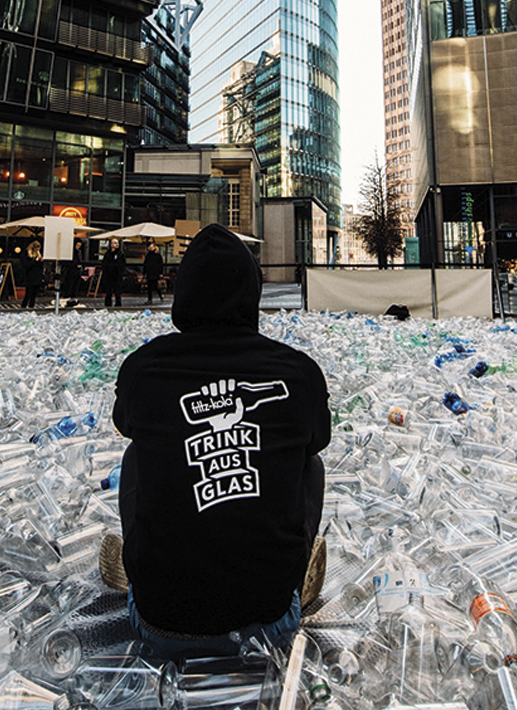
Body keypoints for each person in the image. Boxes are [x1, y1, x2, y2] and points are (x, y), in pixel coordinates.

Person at [100, 224, 330, 661]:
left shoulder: (145, 367)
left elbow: (125, 424)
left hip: (160, 620)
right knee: (310, 463)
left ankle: (141, 568)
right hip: (270, 622)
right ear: (252, 293)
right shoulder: (297, 371)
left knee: (135, 456)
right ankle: (292, 576)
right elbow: (318, 438)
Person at [98, 239, 125, 308]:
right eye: (115, 243)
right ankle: (108, 303)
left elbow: (123, 265)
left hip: (117, 275)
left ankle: (118, 303)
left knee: (117, 290)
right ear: (111, 244)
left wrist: (121, 273)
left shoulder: (120, 254)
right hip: (109, 275)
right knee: (108, 290)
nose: (117, 244)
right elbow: (104, 264)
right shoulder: (107, 254)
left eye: (117, 243)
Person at [20, 241, 43, 309]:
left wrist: (41, 261)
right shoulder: (26, 255)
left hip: (37, 276)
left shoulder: (37, 255)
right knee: (28, 293)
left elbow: (40, 267)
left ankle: (31, 306)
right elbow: (26, 266)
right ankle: (23, 306)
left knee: (34, 294)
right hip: (30, 276)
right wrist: (35, 261)